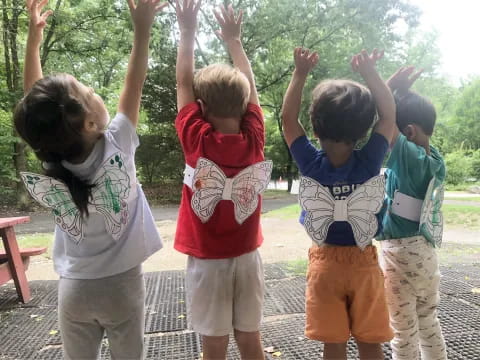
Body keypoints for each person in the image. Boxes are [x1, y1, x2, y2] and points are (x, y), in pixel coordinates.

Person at [14, 0, 166, 358]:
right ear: (89, 124)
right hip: (122, 287)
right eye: (88, 91)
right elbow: (135, 81)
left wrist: (33, 44)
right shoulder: (118, 145)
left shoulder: (54, 165)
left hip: (75, 289)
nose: (94, 91)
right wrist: (142, 29)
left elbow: (37, 111)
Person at [281, 47, 396, 360]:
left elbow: (288, 120)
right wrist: (371, 73)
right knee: (371, 344)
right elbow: (389, 117)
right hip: (364, 261)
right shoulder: (370, 160)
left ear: (316, 129)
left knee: (333, 345)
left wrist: (300, 72)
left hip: (325, 264)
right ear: (363, 131)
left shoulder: (310, 164)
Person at [174, 1, 271, 359]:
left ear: (200, 107)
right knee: (250, 338)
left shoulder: (196, 142)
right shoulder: (254, 141)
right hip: (248, 257)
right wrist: (235, 42)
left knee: (213, 346)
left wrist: (187, 30)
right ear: (245, 105)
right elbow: (252, 91)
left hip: (208, 262)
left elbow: (183, 81)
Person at [377, 66, 447, 360]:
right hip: (426, 253)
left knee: (402, 330)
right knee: (429, 321)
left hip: (399, 254)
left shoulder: (408, 155)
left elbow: (382, 124)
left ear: (408, 131)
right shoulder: (435, 159)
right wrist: (399, 94)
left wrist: (388, 87)